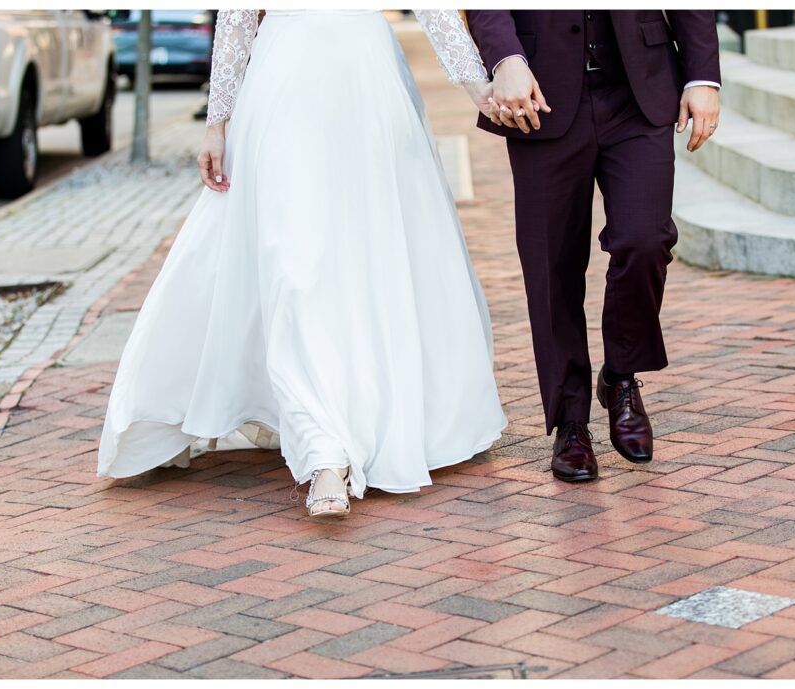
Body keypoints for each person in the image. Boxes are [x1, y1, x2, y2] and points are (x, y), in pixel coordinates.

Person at [97, 10, 508, 520]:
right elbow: (236, 16)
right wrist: (217, 122)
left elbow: (435, 8)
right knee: (292, 266)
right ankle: (324, 454)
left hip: (366, 85)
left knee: (366, 259)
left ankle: (358, 418)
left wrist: (478, 85)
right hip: (282, 85)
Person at [467, 10, 721, 482]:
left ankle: (621, 375)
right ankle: (571, 423)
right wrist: (504, 58)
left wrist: (702, 75)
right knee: (552, 263)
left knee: (645, 238)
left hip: (638, 86)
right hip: (539, 90)